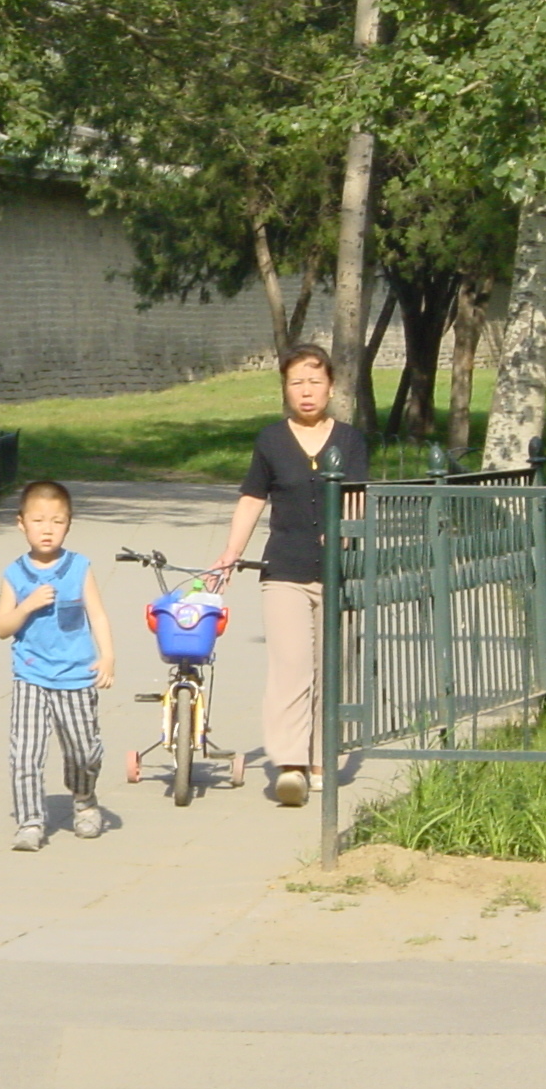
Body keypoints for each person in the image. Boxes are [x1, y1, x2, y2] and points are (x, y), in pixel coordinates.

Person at [210, 344, 369, 807]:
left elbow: (356, 495)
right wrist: (230, 553)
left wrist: (343, 538)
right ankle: (291, 764)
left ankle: (324, 758)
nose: (306, 391)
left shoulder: (351, 440)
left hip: (339, 574)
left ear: (331, 387)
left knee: (333, 667)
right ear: (285, 388)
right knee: (291, 667)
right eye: (297, 382)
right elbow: (251, 498)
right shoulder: (271, 441)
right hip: (284, 569)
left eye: (314, 381)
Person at [0, 480, 116, 851]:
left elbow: (97, 614)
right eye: (39, 520)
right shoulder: (14, 575)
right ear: (21, 524)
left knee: (83, 750)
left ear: (69, 525)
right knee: (25, 753)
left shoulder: (79, 568)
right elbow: (1, 628)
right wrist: (26, 605)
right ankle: (30, 821)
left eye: (57, 521)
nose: (47, 529)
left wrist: (107, 656)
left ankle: (83, 799)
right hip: (31, 675)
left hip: (77, 676)